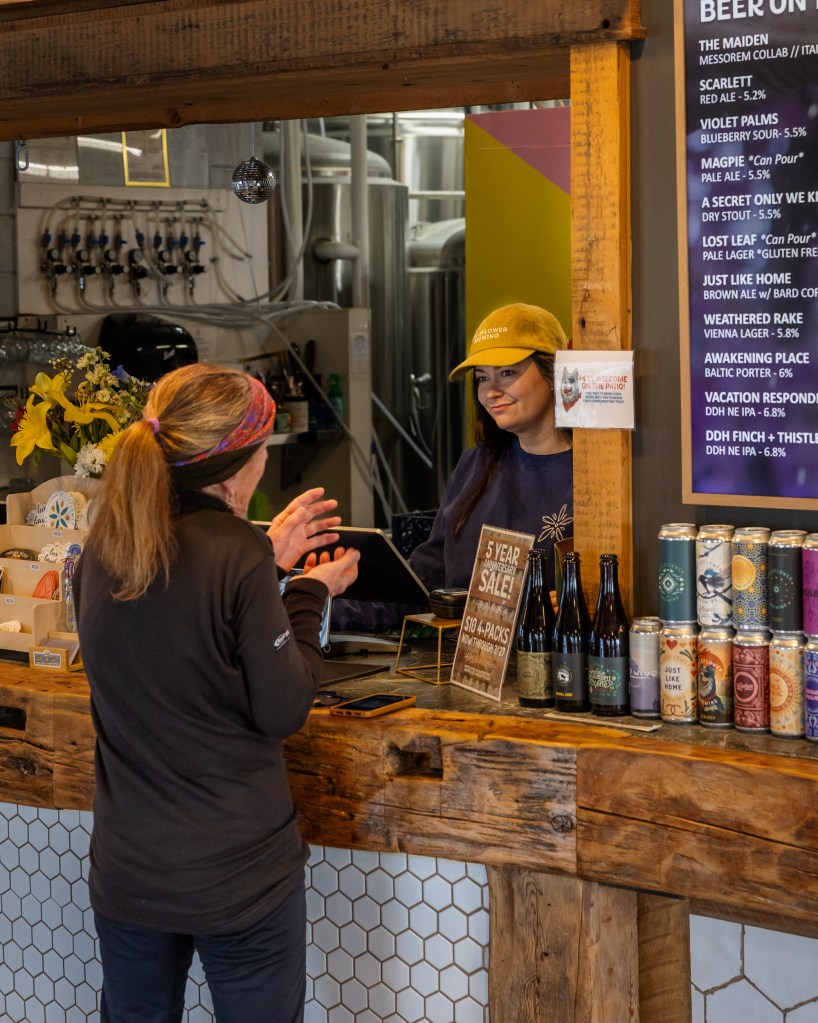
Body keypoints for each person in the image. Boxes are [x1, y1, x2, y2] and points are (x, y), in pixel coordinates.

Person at [74, 362, 359, 1023]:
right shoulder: (235, 553)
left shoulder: (104, 545)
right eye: (266, 449)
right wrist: (311, 591)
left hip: (128, 872)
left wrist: (268, 558)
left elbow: (177, 624)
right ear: (239, 466)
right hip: (239, 878)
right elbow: (283, 706)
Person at [332, 302, 573, 631]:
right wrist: (320, 608)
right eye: (482, 377)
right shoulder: (475, 465)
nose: (491, 391)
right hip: (463, 664)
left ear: (554, 373)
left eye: (507, 373)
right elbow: (426, 579)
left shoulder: (590, 475)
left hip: (551, 666)